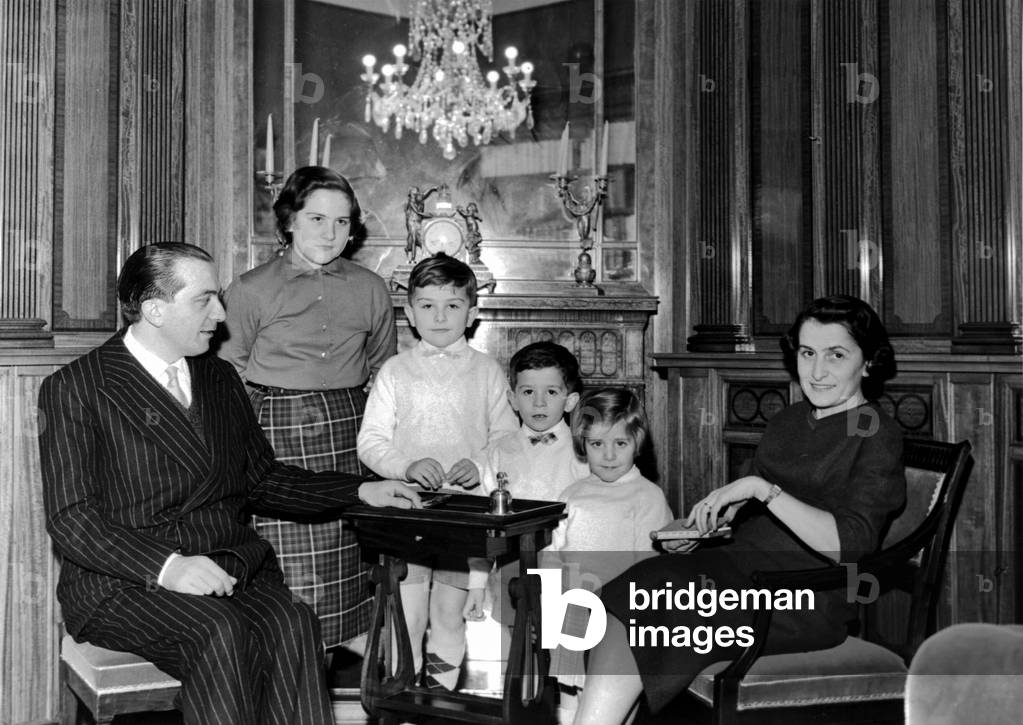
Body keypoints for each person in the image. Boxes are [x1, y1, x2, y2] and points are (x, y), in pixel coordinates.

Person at [39, 242, 420, 725]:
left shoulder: (217, 376)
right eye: (204, 299)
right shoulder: (77, 387)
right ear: (154, 310)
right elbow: (73, 520)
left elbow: (260, 478)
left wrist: (358, 490)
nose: (221, 313)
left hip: (225, 566)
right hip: (123, 583)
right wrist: (168, 567)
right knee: (220, 631)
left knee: (293, 620)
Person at [574, 294, 906, 725]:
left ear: (868, 363)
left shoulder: (877, 433)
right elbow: (755, 520)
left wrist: (760, 489)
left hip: (805, 599)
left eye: (836, 355)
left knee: (651, 600)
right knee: (629, 591)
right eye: (807, 353)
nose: (818, 371)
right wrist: (705, 530)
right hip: (742, 572)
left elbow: (850, 549)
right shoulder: (789, 421)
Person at [219, 166, 396, 655]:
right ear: (289, 221)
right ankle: (292, 673)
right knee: (289, 573)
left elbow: (385, 370)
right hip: (273, 435)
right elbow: (226, 374)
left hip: (349, 432)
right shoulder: (251, 289)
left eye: (342, 223)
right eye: (317, 218)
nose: (330, 232)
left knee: (347, 561)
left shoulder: (371, 288)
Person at [357, 254, 519, 689]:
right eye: (427, 305)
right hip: (407, 514)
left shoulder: (486, 371)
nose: (440, 316)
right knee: (405, 616)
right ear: (409, 313)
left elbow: (507, 438)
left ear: (472, 313)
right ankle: (401, 704)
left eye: (452, 305)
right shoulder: (395, 371)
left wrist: (480, 466)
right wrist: (406, 465)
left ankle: (439, 702)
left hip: (462, 519)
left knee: (449, 617)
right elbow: (370, 442)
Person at [546, 388, 673, 720]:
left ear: (637, 443)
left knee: (610, 699)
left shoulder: (647, 496)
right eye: (597, 444)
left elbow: (650, 567)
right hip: (573, 609)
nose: (609, 455)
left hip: (619, 615)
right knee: (569, 692)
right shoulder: (572, 494)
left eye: (620, 443)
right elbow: (555, 550)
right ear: (583, 444)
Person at [481, 341, 590, 625]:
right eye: (528, 392)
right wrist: (477, 581)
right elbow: (485, 522)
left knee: (566, 653)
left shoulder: (585, 453)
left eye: (551, 392)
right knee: (515, 650)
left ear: (570, 400)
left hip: (567, 568)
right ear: (512, 399)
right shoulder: (497, 452)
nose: (539, 402)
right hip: (512, 567)